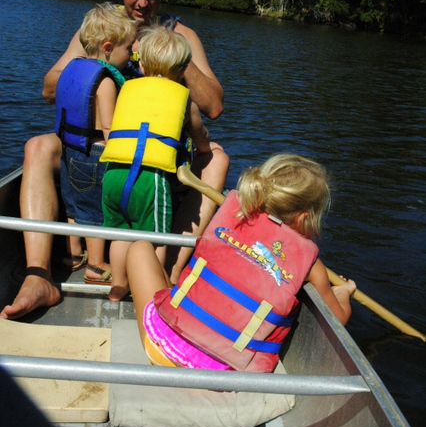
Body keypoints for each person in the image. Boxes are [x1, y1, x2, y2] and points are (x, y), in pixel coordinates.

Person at [0, 0, 229, 320]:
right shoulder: (101, 29)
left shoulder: (181, 35)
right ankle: (38, 276)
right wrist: (101, 61)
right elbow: (48, 87)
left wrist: (169, 53)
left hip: (155, 160)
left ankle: (166, 275)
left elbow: (215, 105)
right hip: (97, 154)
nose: (142, 3)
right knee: (38, 146)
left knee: (217, 158)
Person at [126, 154, 357, 372]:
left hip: (162, 352)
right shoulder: (311, 266)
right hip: (224, 373)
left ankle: (174, 308)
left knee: (139, 248)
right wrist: (344, 293)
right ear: (304, 217)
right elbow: (338, 319)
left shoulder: (232, 219)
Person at [102, 25, 212, 301]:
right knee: (158, 238)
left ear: (142, 64)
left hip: (113, 174)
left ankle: (118, 283)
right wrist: (204, 148)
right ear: (182, 69)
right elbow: (199, 133)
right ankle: (156, 290)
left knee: (119, 234)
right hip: (150, 179)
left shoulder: (127, 88)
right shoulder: (183, 98)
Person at [56, 3, 136, 284]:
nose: (130, 56)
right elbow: (109, 127)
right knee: (94, 212)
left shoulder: (71, 68)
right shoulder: (105, 82)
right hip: (94, 154)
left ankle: (73, 254)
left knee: (73, 207)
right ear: (107, 47)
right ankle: (97, 265)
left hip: (69, 148)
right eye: (127, 49)